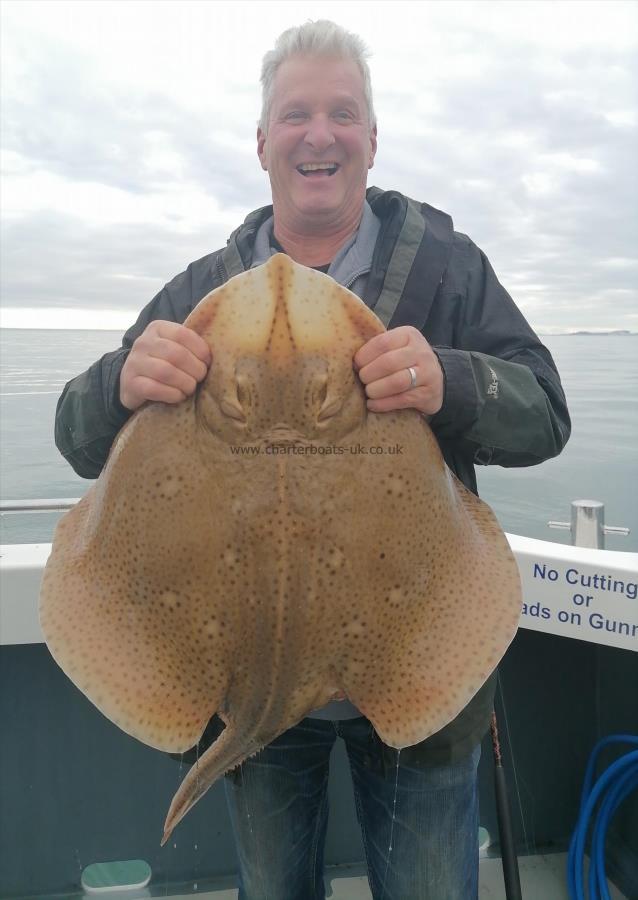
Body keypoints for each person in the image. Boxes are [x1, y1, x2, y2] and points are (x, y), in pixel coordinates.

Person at [55, 19, 570, 900]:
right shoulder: (197, 294)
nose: (319, 133)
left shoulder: (446, 270)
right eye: (296, 114)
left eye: (343, 113)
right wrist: (118, 382)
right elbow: (76, 437)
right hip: (242, 680)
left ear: (372, 138)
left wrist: (448, 379)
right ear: (263, 143)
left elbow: (547, 414)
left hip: (416, 671)